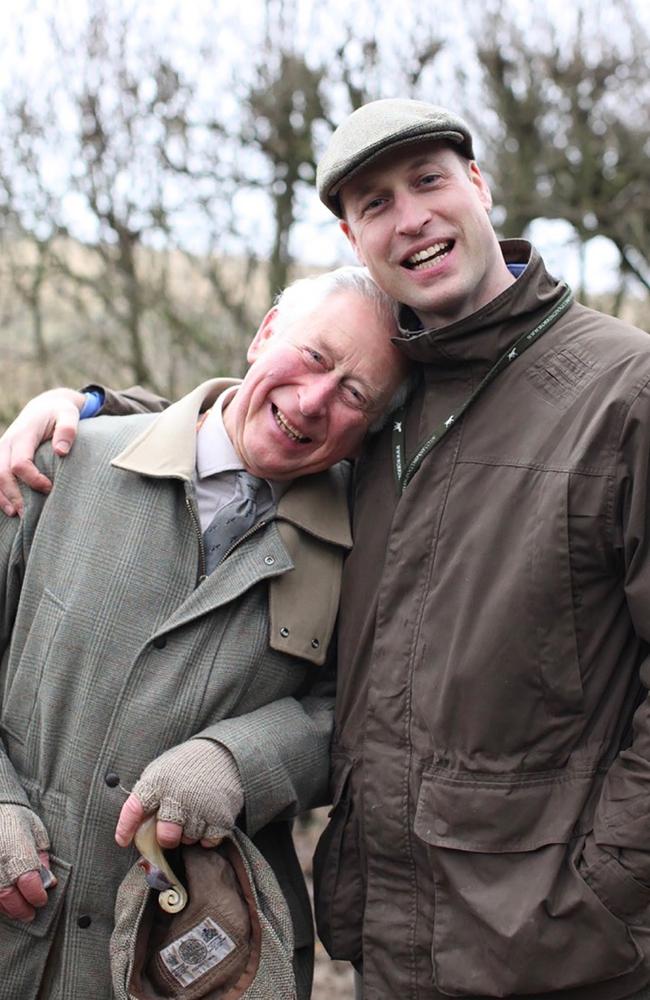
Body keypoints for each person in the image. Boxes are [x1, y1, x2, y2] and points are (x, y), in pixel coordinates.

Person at [2, 98, 650, 1000]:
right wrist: (85, 408)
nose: (314, 403)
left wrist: (610, 891)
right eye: (377, 201)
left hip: (552, 947)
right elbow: (222, 441)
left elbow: (342, 698)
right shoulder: (70, 471)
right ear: (344, 245)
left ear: (480, 186)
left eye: (429, 180)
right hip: (380, 942)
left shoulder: (616, 395)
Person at [0, 264, 408, 1000]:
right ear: (264, 335)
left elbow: (364, 717)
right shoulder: (63, 463)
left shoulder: (369, 547)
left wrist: (240, 761)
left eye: (354, 394)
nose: (312, 402)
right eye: (314, 356)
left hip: (195, 954)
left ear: (370, 431)